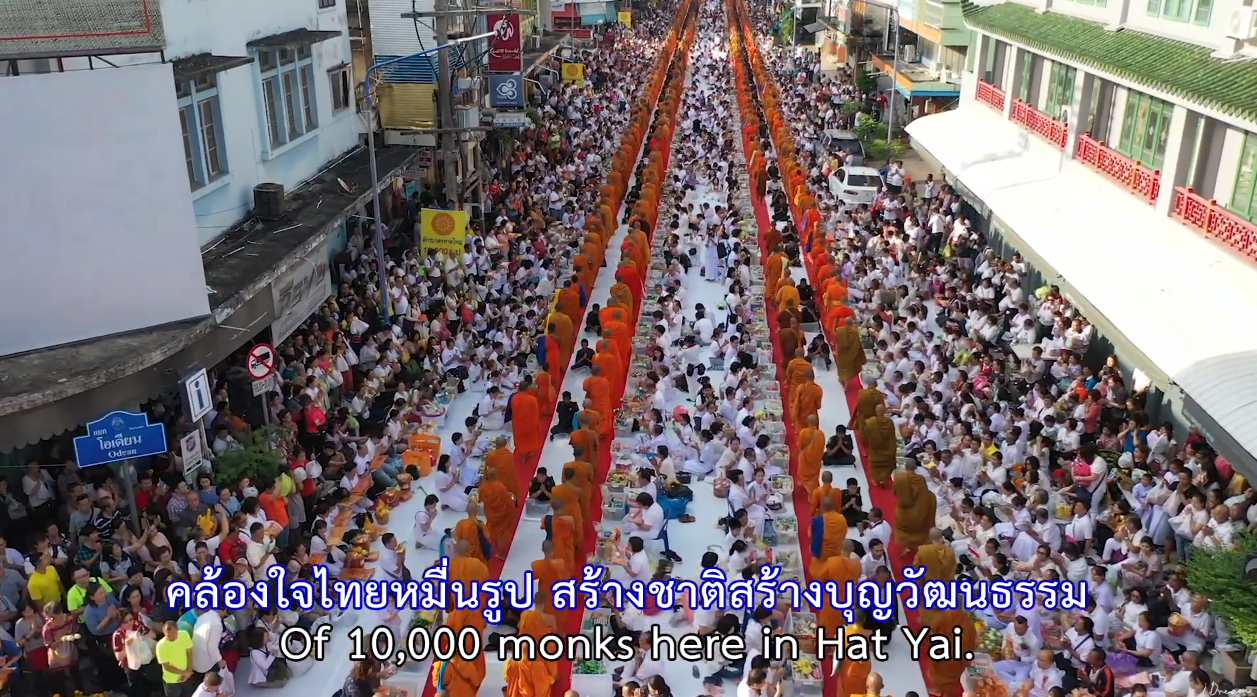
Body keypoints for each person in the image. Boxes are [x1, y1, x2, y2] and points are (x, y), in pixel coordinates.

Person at [156, 619, 194, 697]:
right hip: (172, 681)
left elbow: (189, 653)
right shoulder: (161, 645)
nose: (171, 637)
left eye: (173, 633)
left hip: (186, 677)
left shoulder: (184, 635)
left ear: (177, 629)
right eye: (168, 635)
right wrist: (184, 673)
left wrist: (188, 670)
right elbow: (167, 666)